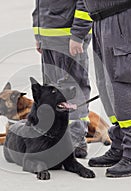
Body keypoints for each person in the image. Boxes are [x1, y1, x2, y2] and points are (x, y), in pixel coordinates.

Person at [83, 0, 131, 177]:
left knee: (124, 82)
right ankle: (120, 144)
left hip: (122, 18)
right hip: (100, 20)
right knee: (107, 85)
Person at [32, 0, 93, 158]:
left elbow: (85, 3)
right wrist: (39, 34)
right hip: (49, 37)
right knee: (52, 91)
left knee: (72, 88)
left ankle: (76, 139)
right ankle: (55, 137)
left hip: (68, 37)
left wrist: (78, 35)